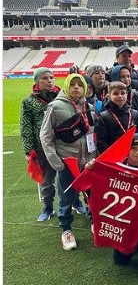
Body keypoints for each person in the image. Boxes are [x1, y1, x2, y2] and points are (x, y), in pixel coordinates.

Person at [85, 133, 138, 265]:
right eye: (134, 148)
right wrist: (90, 171)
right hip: (122, 223)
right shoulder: (113, 168)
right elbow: (93, 192)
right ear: (127, 149)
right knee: (120, 261)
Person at [40, 73, 96, 250]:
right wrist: (57, 163)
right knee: (66, 197)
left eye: (80, 84)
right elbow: (46, 136)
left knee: (92, 194)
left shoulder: (89, 107)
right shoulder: (55, 107)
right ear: (66, 86)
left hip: (88, 162)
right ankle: (66, 230)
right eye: (73, 84)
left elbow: (92, 134)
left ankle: (94, 220)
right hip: (67, 162)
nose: (76, 87)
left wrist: (95, 157)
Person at [20, 67, 61, 221]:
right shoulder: (28, 102)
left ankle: (75, 202)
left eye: (51, 77)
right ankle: (48, 207)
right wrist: (28, 150)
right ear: (37, 81)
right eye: (45, 78)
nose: (49, 81)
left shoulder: (62, 97)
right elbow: (26, 127)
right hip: (42, 147)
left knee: (68, 177)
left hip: (63, 145)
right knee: (46, 181)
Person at [95, 81, 138, 154]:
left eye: (123, 93)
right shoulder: (104, 117)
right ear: (109, 96)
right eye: (116, 93)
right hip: (114, 156)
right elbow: (101, 142)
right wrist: (110, 156)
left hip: (134, 154)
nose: (120, 96)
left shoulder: (135, 114)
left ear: (126, 95)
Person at [110, 44, 138, 116]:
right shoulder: (109, 75)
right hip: (117, 117)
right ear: (117, 58)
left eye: (129, 56)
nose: (127, 59)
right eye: (124, 56)